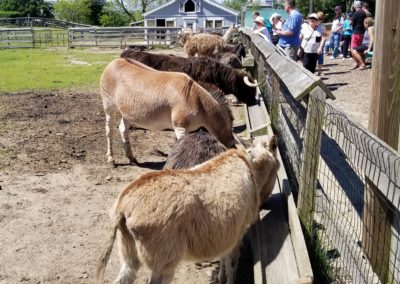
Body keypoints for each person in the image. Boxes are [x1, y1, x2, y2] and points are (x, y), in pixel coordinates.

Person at [350, 1, 367, 69]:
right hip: (362, 32)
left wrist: (350, 21)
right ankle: (362, 62)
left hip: (356, 32)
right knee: (358, 49)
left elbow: (351, 23)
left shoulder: (356, 13)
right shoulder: (364, 12)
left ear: (354, 6)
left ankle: (358, 63)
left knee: (353, 49)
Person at [316, 11, 327, 75]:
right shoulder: (314, 25)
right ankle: (317, 69)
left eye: (321, 19)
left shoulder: (322, 26)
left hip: (320, 42)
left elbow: (325, 35)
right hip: (315, 42)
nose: (319, 20)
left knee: (320, 56)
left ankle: (319, 70)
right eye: (318, 18)